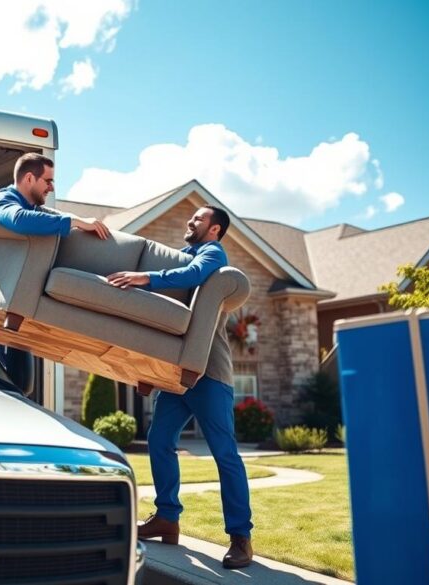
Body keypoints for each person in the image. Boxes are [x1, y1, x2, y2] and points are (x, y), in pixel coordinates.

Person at [106, 205, 254, 569]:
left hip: (208, 373)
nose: (191, 221)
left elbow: (191, 275)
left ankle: (241, 538)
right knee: (159, 440)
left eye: (198, 219)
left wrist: (144, 278)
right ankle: (167, 518)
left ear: (215, 229)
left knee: (224, 454)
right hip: (175, 374)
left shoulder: (212, 254)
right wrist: (147, 369)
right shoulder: (186, 254)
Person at [0, 153, 109, 239]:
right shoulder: (1, 200)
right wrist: (74, 221)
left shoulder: (30, 207)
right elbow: (19, 219)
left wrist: (81, 221)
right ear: (29, 179)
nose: (52, 188)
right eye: (48, 181)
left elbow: (52, 214)